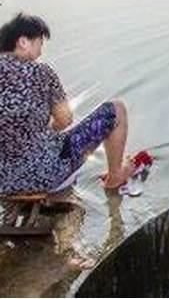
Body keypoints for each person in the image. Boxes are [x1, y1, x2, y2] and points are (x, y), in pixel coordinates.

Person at [0, 13, 134, 195]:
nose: (40, 53)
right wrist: (47, 130)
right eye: (40, 43)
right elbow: (65, 120)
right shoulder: (40, 72)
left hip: (3, 183)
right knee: (117, 109)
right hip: (45, 177)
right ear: (23, 42)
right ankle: (115, 177)